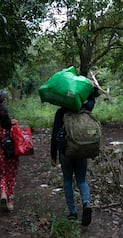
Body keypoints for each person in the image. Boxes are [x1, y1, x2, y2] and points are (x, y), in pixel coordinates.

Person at [50, 87, 99, 226]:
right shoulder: (84, 108)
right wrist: (90, 91)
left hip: (66, 152)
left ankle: (72, 213)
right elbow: (93, 98)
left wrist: (53, 155)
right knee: (82, 179)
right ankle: (86, 203)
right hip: (81, 150)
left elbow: (54, 136)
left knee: (67, 180)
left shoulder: (60, 113)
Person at [0, 101, 19, 212]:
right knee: (12, 178)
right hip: (13, 156)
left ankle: (3, 193)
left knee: (3, 176)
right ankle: (10, 201)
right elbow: (19, 139)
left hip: (2, 156)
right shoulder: (14, 125)